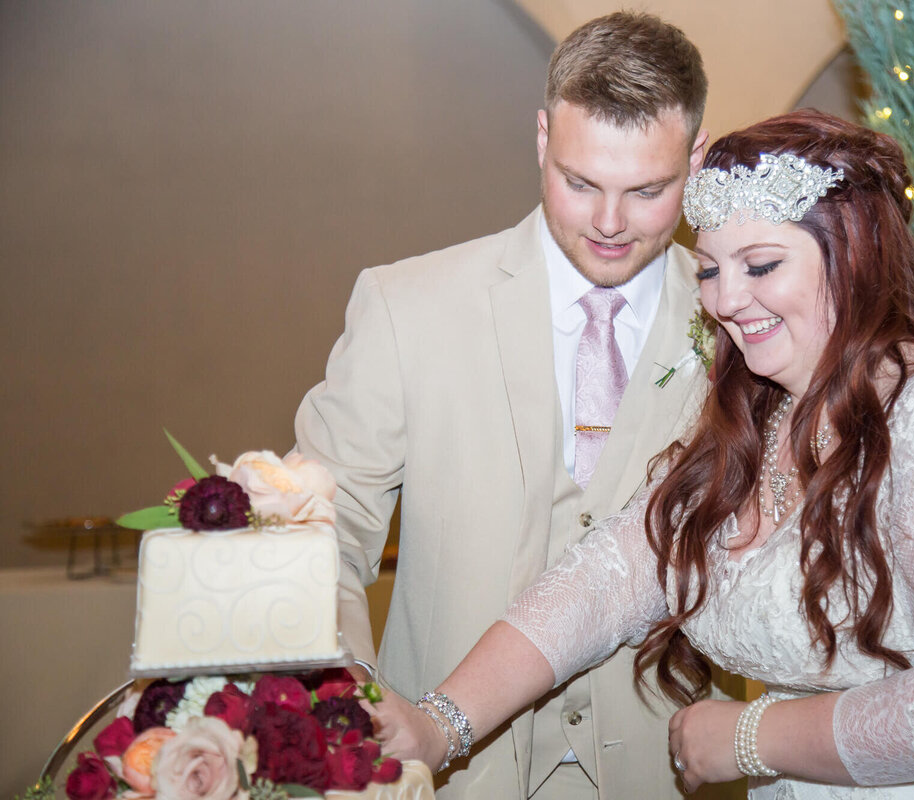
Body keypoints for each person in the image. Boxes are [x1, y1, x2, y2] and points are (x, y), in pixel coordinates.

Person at [371, 110, 914, 798]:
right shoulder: (754, 426)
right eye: (710, 270)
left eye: (761, 266)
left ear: (856, 254)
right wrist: (439, 726)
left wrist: (747, 736)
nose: (727, 299)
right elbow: (601, 583)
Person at [293, 12, 725, 800]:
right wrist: (353, 692)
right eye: (580, 181)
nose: (608, 222)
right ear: (540, 139)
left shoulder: (745, 331)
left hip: (669, 777)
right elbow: (318, 526)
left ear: (696, 158)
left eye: (648, 191)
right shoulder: (405, 305)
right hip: (450, 776)